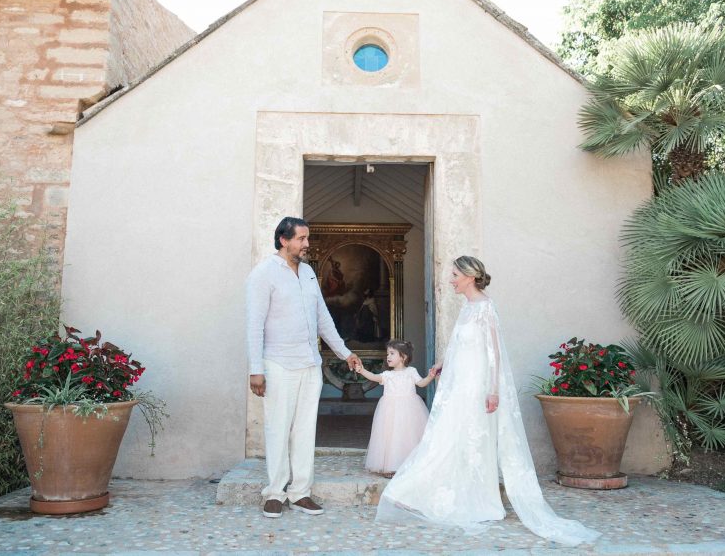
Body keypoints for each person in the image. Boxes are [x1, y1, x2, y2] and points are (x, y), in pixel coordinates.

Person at [375, 256, 601, 546]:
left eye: (455, 274)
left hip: (477, 386)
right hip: (459, 385)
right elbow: (458, 343)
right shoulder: (467, 308)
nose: (451, 279)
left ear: (469, 276)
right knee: (447, 436)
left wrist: (493, 390)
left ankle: (479, 500)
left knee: (472, 440)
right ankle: (424, 492)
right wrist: (442, 362)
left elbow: (493, 352)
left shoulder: (485, 307)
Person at [246, 216, 361, 519]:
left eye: (307, 238)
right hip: (278, 363)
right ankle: (274, 493)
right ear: (284, 240)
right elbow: (254, 325)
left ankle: (300, 493)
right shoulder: (263, 274)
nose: (307, 244)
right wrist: (255, 369)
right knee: (278, 428)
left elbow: (323, 318)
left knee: (305, 430)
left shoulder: (309, 273)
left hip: (311, 364)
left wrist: (344, 352)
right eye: (301, 239)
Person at [353, 340, 435, 476]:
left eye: (392, 354)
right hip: (390, 410)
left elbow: (421, 383)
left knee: (408, 435)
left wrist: (430, 377)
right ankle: (391, 466)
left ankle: (410, 464)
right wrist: (362, 370)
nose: (388, 357)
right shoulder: (387, 375)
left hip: (410, 409)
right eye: (387, 354)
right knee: (391, 437)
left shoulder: (411, 371)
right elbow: (374, 377)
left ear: (403, 357)